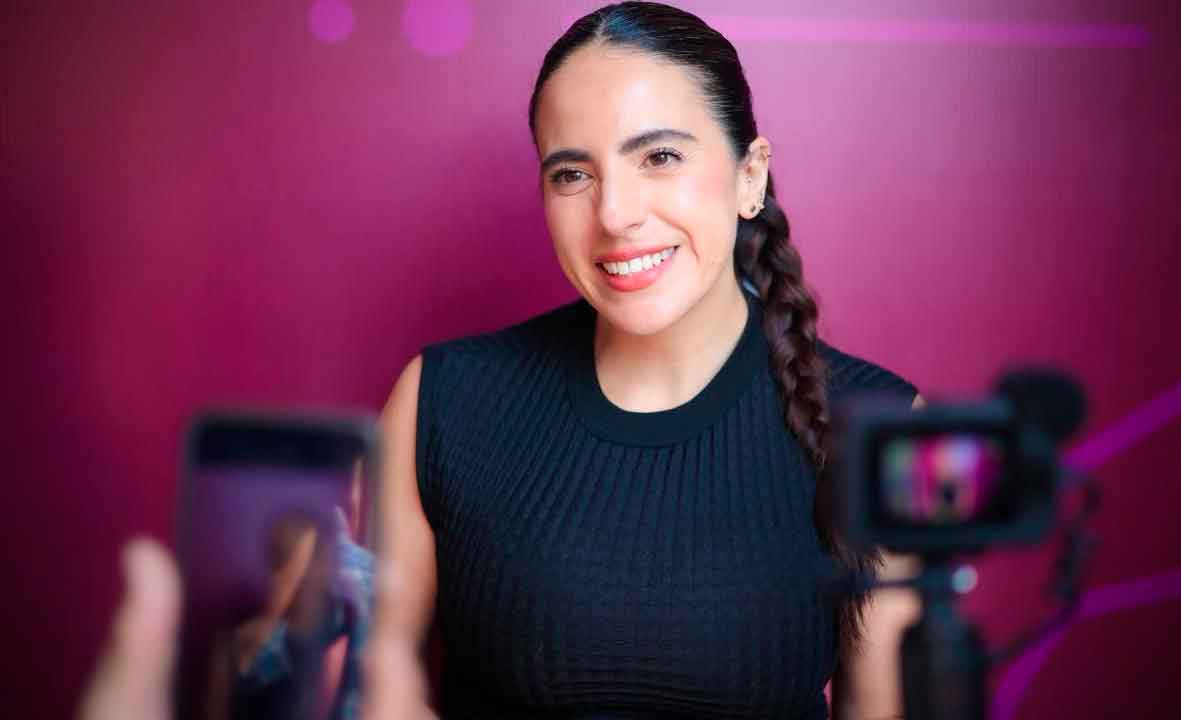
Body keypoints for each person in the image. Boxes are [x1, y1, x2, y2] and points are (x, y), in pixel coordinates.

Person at [372, 3, 924, 719]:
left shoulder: (879, 429)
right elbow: (380, 680)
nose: (614, 215)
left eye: (659, 157)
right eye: (572, 174)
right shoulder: (441, 402)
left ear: (751, 175)